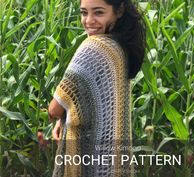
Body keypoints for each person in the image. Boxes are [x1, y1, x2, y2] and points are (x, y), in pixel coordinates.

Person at [48, 0, 146, 176]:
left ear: (119, 11)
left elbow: (54, 108)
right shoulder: (119, 48)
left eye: (98, 13)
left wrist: (61, 114)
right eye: (84, 13)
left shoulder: (93, 47)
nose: (89, 21)